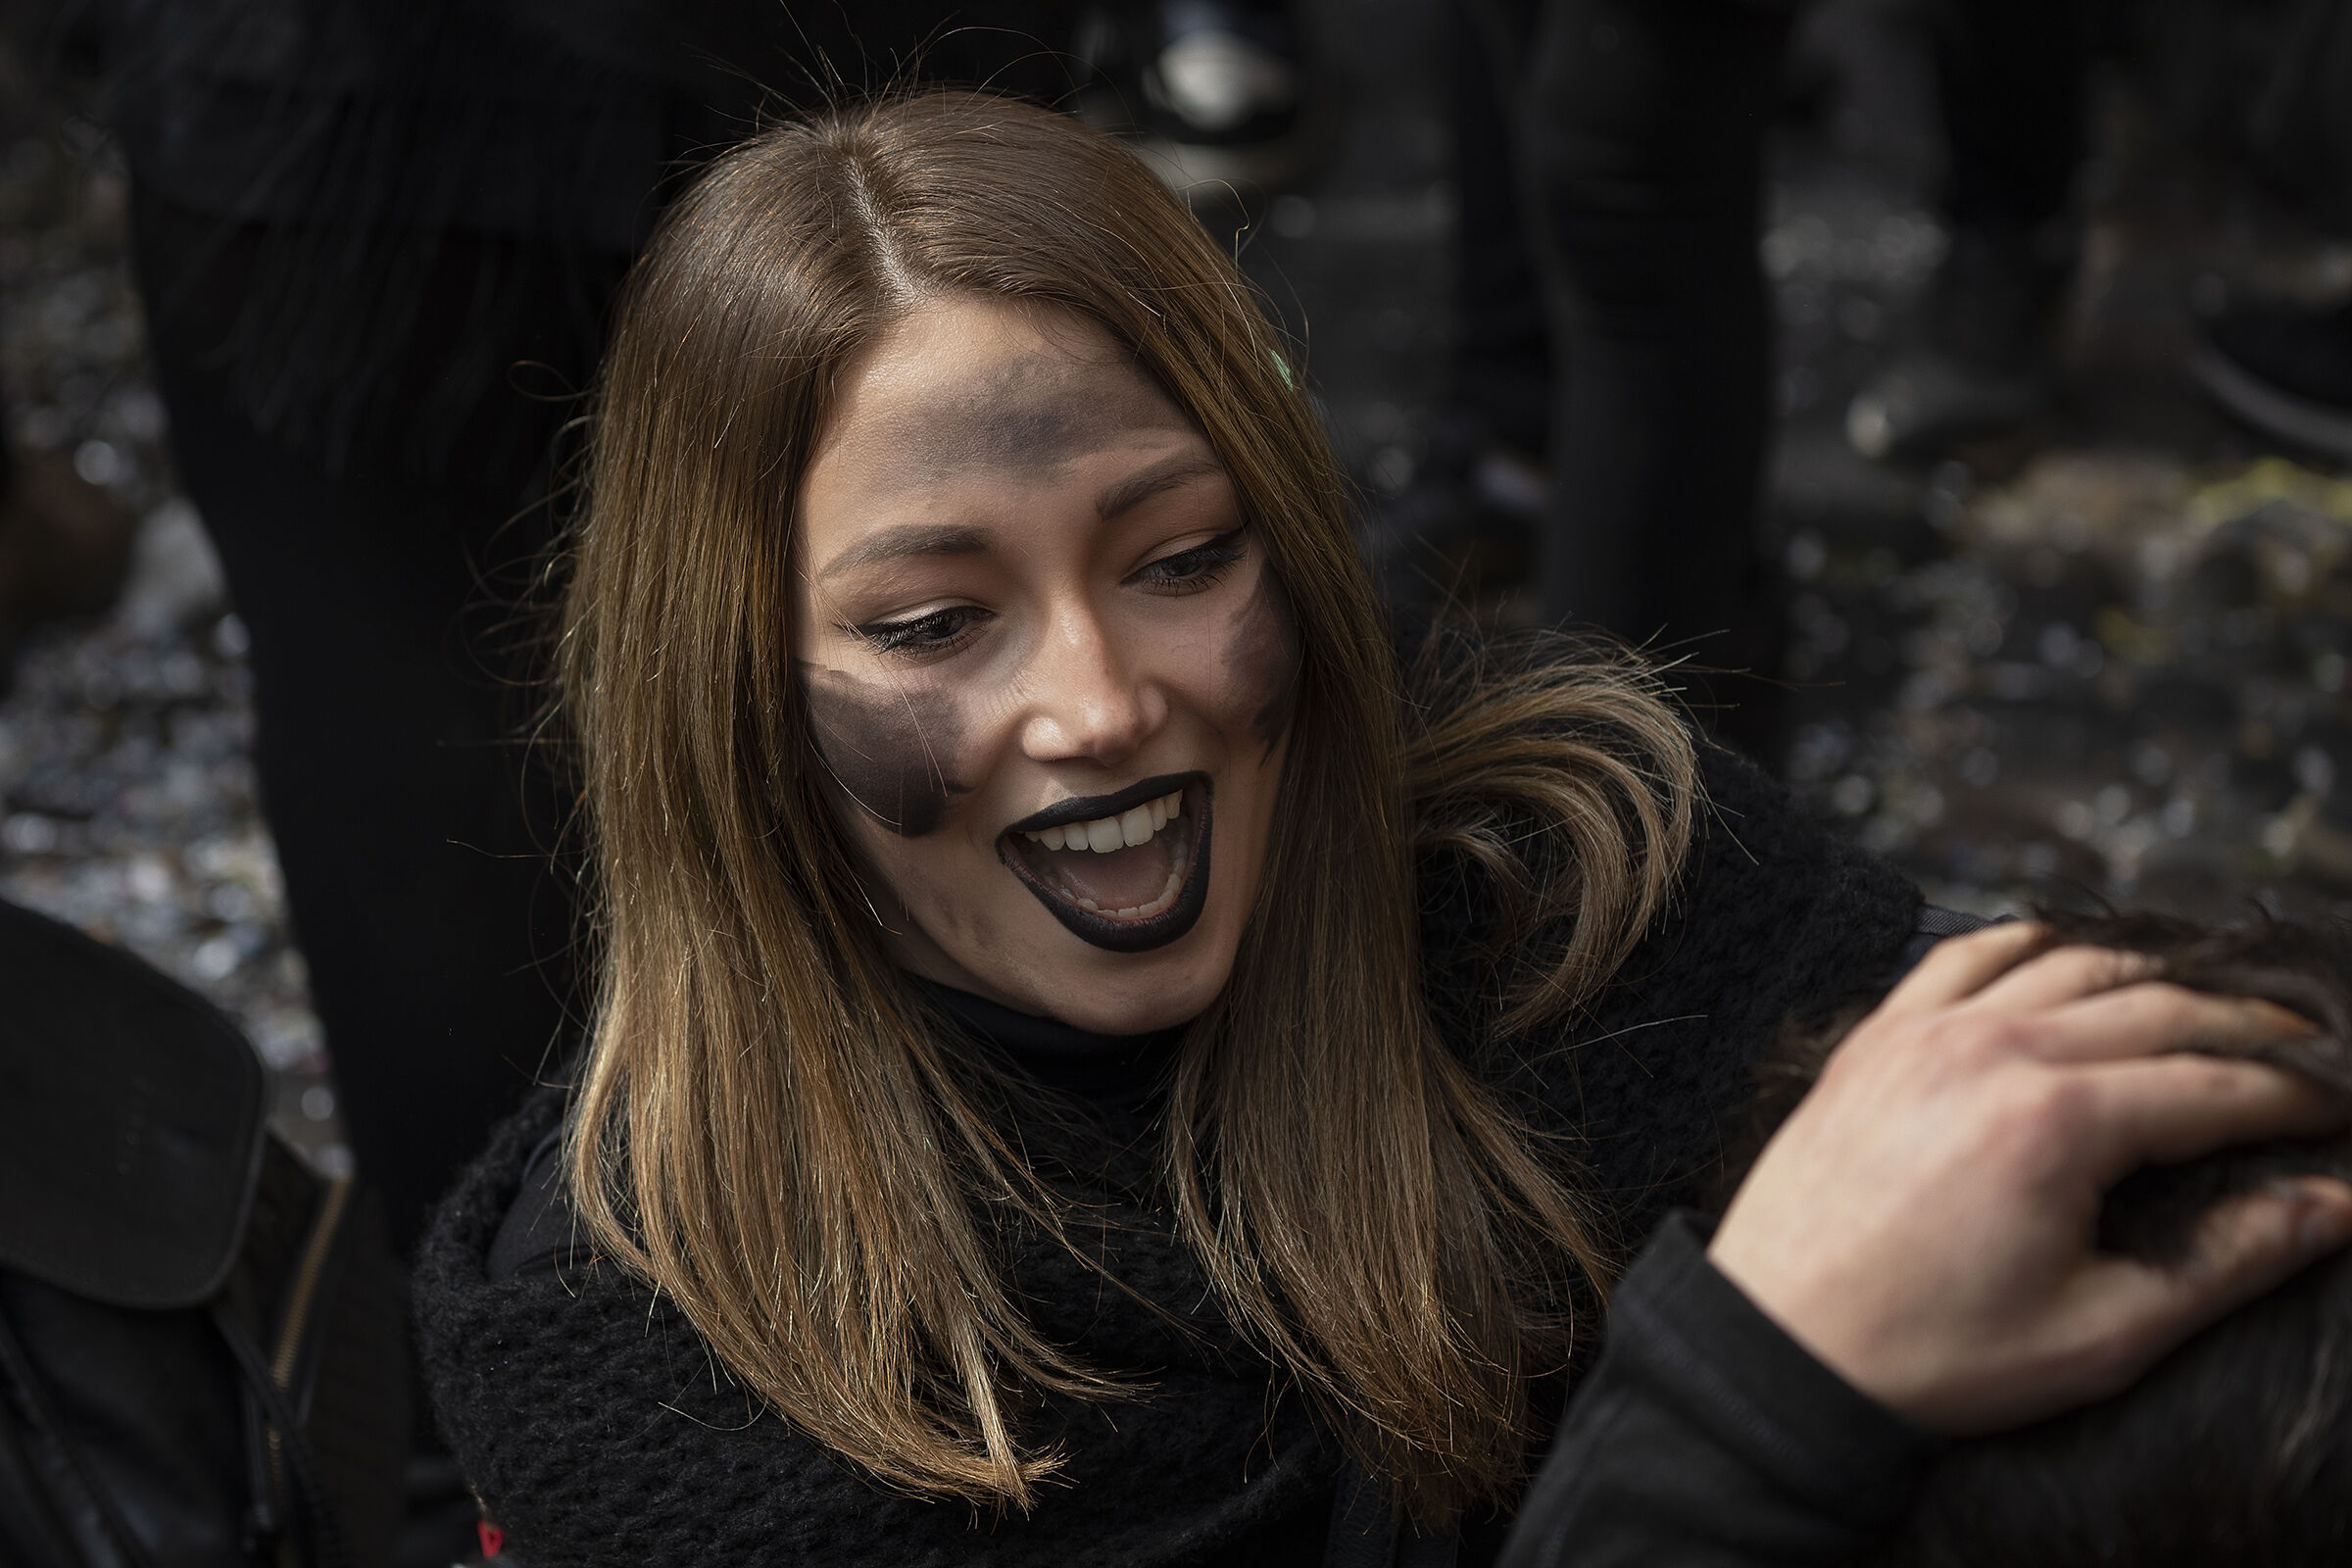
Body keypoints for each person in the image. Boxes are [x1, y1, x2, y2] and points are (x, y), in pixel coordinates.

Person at [415, 92, 2352, 1565]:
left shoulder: (1580, 868)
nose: (1097, 702)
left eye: (1180, 558)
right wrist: (1751, 1400)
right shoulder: (645, 1350)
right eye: (935, 622)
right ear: (730, 689)